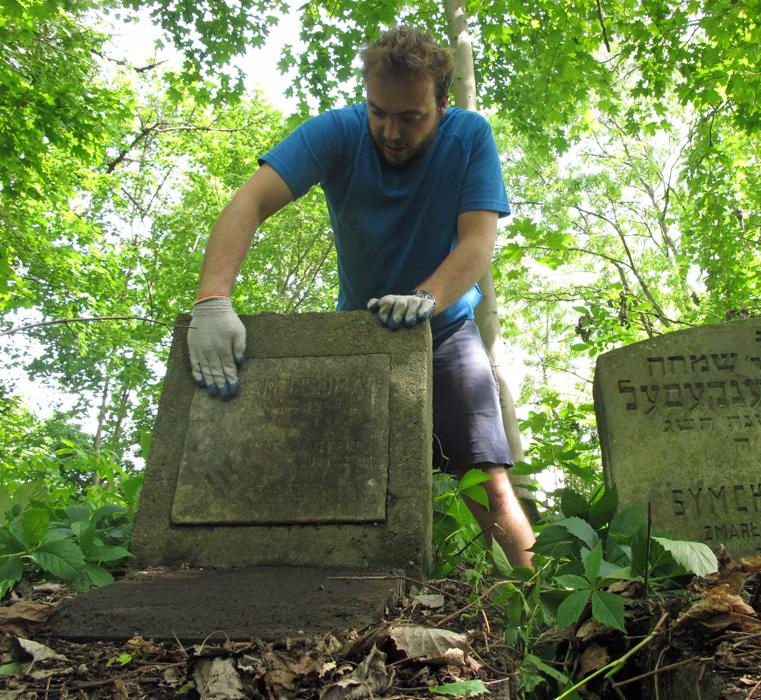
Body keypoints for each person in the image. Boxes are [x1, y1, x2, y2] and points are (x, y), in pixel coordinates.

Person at [185, 26, 535, 568]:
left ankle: (535, 608)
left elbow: (476, 244)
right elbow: (248, 204)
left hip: (445, 334)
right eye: (379, 111)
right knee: (349, 489)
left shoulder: (470, 137)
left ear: (442, 105)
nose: (390, 131)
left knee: (486, 485)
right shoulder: (336, 132)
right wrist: (212, 300)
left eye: (410, 117)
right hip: (360, 337)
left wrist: (426, 298)